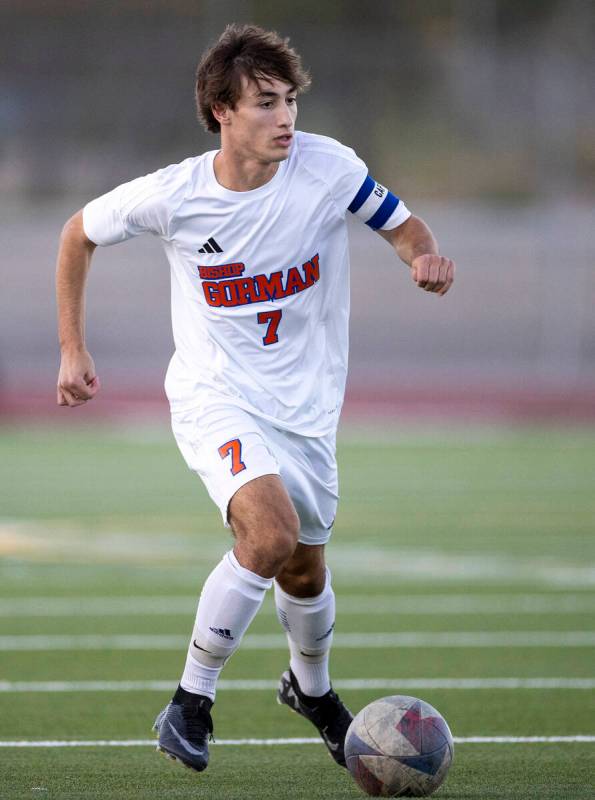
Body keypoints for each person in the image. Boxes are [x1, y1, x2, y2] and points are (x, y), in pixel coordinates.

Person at [56, 24, 455, 774]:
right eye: (265, 103)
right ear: (220, 112)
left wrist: (423, 257)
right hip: (217, 397)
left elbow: (401, 227)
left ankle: (313, 693)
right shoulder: (175, 195)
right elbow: (77, 233)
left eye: (290, 101)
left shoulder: (328, 168)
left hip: (306, 412)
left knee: (305, 570)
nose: (285, 118)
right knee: (267, 539)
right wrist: (74, 347)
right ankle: (189, 702)